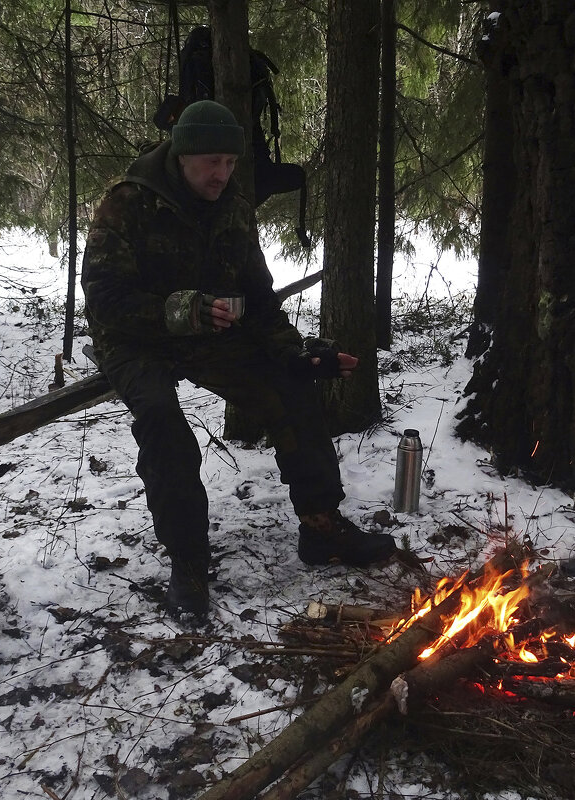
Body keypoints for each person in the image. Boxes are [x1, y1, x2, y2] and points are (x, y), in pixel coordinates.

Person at [81, 100, 396, 621]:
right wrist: (185, 311)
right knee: (162, 419)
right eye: (210, 162)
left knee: (291, 390)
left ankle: (320, 526)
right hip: (134, 340)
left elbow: (259, 298)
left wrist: (294, 354)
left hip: (208, 332)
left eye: (229, 163)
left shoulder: (232, 207)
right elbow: (106, 301)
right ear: (181, 155)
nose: (221, 174)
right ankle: (187, 562)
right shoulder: (127, 203)